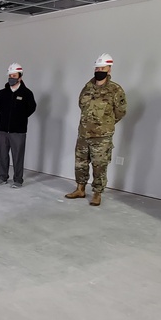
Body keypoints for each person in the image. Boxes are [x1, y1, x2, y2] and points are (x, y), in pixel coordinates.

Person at [65, 53, 127, 207]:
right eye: (97, 67)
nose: (99, 70)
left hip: (101, 136)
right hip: (83, 133)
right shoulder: (87, 87)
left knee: (99, 165)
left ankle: (97, 193)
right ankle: (80, 189)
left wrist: (106, 124)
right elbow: (81, 104)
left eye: (103, 68)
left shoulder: (115, 89)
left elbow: (120, 111)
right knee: (80, 164)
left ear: (109, 69)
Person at [0, 62, 36, 188]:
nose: (11, 78)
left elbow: (31, 108)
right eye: (10, 75)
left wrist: (20, 119)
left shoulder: (27, 93)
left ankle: (18, 180)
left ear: (20, 77)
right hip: (3, 130)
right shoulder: (2, 93)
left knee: (18, 156)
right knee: (2, 155)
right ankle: (2, 177)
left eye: (14, 75)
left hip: (18, 131)